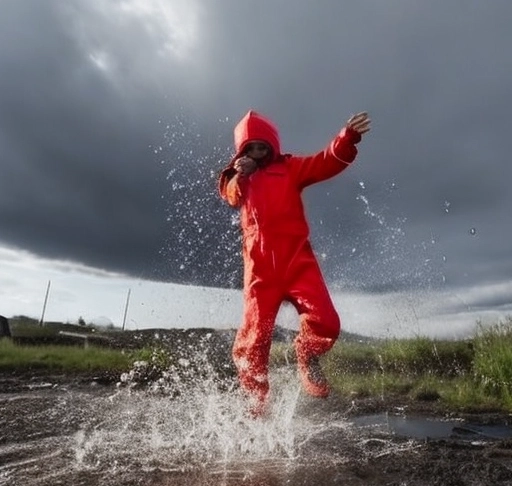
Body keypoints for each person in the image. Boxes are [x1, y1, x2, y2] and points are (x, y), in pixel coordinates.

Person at [218, 109, 371, 415]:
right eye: (251, 149)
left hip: (298, 263)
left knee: (327, 322)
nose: (258, 154)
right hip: (260, 272)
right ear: (241, 151)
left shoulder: (290, 168)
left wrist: (347, 137)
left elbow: (325, 161)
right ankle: (255, 404)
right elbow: (231, 196)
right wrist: (239, 174)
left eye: (263, 147)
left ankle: (307, 352)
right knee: (254, 342)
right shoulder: (238, 177)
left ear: (272, 146)